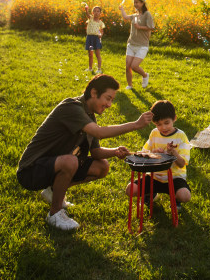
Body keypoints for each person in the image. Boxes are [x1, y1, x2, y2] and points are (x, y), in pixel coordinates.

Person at [17, 74, 153, 231]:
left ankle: (53, 191)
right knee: (71, 161)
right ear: (94, 93)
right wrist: (135, 125)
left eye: (112, 100)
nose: (109, 104)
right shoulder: (71, 107)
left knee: (102, 166)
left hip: (53, 165)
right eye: (107, 98)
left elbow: (95, 152)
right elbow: (99, 132)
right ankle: (54, 214)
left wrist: (115, 151)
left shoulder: (89, 117)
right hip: (31, 170)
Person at [126, 100, 191, 213]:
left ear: (174, 118)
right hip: (154, 176)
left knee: (185, 196)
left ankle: (175, 199)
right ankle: (150, 194)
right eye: (158, 124)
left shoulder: (181, 136)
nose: (163, 128)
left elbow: (182, 164)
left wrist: (174, 153)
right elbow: (144, 154)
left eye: (166, 123)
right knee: (130, 190)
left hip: (174, 177)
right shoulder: (154, 133)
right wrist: (154, 153)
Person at [119, 0, 155, 90]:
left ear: (143, 3)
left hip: (142, 45)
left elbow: (151, 27)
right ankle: (130, 85)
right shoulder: (135, 15)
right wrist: (122, 9)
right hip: (131, 43)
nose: (135, 4)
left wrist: (139, 27)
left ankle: (145, 75)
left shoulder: (147, 14)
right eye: (134, 2)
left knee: (134, 66)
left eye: (137, 2)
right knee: (128, 66)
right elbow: (126, 17)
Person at [82, 2, 105, 74]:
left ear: (100, 13)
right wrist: (86, 10)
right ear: (92, 13)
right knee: (90, 54)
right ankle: (90, 68)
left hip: (96, 39)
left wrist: (101, 35)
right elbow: (87, 15)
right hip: (89, 38)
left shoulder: (100, 23)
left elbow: (101, 31)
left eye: (98, 11)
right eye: (94, 11)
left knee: (97, 54)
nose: (96, 12)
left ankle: (99, 69)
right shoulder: (91, 19)